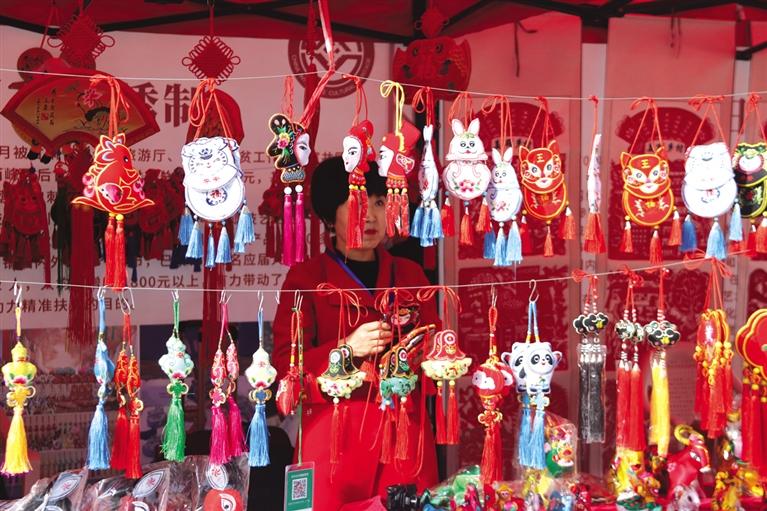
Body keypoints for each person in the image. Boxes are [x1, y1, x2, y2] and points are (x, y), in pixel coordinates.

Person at [272, 157, 439, 511]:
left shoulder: (410, 274)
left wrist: (425, 354)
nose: (372, 216)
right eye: (358, 204)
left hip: (402, 434)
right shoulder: (306, 279)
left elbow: (437, 350)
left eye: (379, 203)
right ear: (330, 218)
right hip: (333, 437)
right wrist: (346, 348)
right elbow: (286, 366)